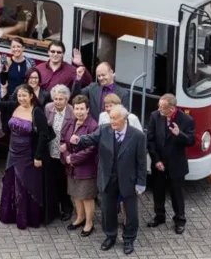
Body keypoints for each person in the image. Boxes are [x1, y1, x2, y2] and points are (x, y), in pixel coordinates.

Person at [70, 105, 147, 255]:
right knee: (108, 210)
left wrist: (141, 182)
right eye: (110, 117)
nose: (112, 121)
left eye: (115, 118)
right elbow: (90, 139)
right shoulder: (104, 129)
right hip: (107, 178)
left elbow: (142, 161)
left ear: (124, 119)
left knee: (131, 213)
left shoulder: (138, 136)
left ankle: (129, 239)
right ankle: (110, 236)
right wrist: (79, 140)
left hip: (128, 181)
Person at [0, 82, 51, 228]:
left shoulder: (36, 112)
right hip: (13, 152)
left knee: (26, 184)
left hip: (28, 153)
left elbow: (44, 135)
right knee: (12, 182)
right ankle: (11, 214)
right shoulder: (14, 106)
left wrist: (38, 156)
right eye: (19, 95)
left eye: (25, 95)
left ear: (31, 96)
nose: (22, 98)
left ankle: (28, 217)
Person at [147, 94, 195, 235]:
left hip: (176, 164)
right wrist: (156, 160)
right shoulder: (155, 116)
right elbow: (150, 140)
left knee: (177, 194)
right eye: (159, 106)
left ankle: (180, 220)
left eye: (163, 107)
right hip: (159, 164)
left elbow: (191, 141)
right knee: (158, 192)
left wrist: (180, 134)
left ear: (172, 109)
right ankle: (159, 216)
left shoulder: (187, 120)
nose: (159, 109)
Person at [59, 95, 98, 237]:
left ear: (88, 109)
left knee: (87, 196)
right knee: (76, 194)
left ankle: (89, 223)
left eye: (82, 109)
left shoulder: (93, 125)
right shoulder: (71, 122)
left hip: (86, 168)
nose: (79, 112)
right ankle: (79, 217)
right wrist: (66, 156)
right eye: (76, 108)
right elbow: (63, 141)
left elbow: (91, 149)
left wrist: (72, 158)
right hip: (71, 167)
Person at [45, 84, 75, 222]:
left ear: (67, 100)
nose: (57, 102)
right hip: (50, 150)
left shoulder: (72, 112)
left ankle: (67, 208)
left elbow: (75, 133)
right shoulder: (48, 108)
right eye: (55, 98)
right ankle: (54, 209)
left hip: (63, 152)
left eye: (61, 99)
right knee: (51, 181)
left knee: (63, 183)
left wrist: (67, 145)